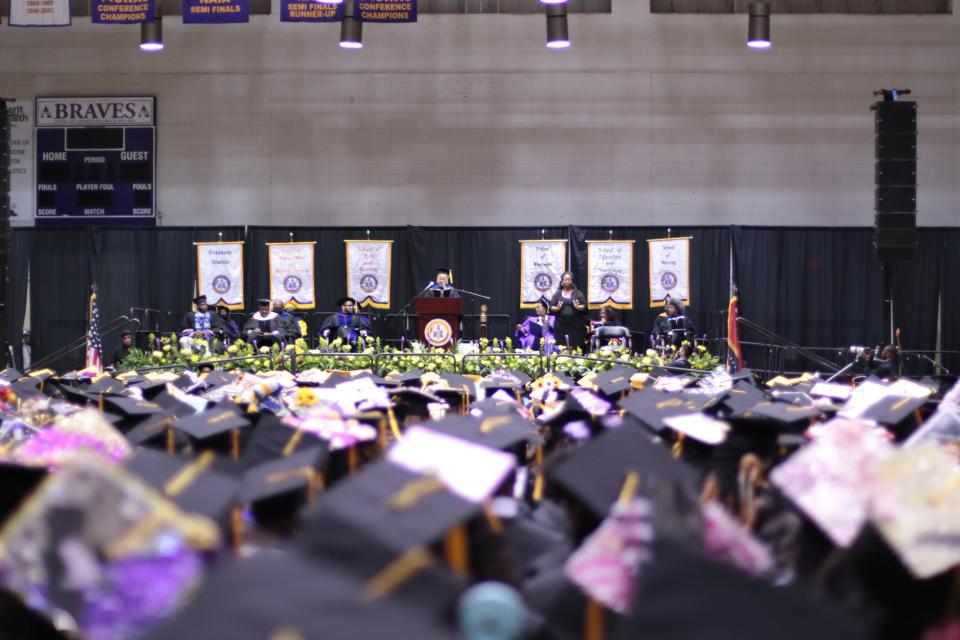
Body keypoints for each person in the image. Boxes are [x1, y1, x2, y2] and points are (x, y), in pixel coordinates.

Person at [548, 271, 588, 351]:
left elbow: (584, 306)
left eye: (569, 279)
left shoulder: (578, 293)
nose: (567, 281)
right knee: (561, 347)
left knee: (575, 347)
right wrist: (557, 308)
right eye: (565, 279)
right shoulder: (557, 294)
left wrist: (578, 307)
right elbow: (551, 306)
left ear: (572, 281)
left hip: (575, 326)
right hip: (560, 326)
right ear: (562, 281)